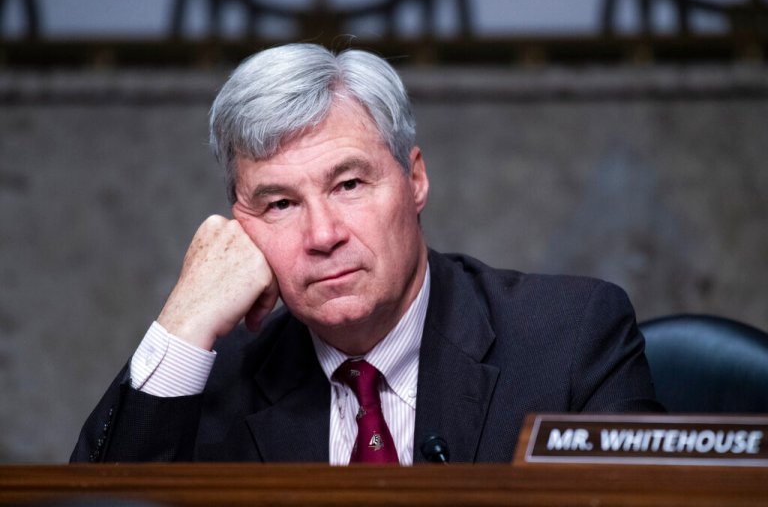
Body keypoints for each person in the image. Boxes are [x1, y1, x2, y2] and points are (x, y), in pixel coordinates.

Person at [71, 43, 663, 465]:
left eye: (349, 184)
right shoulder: (216, 380)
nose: (323, 234)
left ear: (415, 180)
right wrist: (182, 322)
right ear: (239, 226)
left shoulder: (570, 339)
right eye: (280, 204)